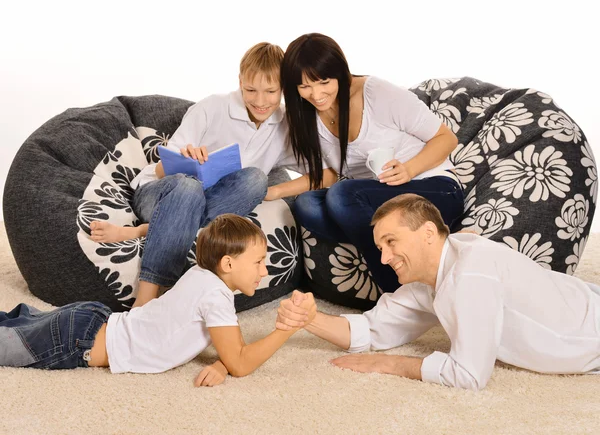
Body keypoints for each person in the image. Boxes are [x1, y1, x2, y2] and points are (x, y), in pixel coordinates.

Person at [275, 194, 600, 390]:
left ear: (428, 233)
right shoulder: (427, 279)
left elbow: (470, 374)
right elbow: (373, 330)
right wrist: (310, 319)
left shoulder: (469, 273)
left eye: (391, 242)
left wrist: (390, 365)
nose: (384, 259)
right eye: (379, 247)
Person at [89, 42, 302, 307]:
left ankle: (144, 232)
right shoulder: (212, 107)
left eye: (271, 91)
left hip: (210, 203)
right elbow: (160, 169)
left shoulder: (284, 124)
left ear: (284, 88)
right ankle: (145, 299)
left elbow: (321, 171)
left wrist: (277, 191)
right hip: (160, 193)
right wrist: (185, 160)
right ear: (240, 81)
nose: (260, 101)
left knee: (256, 180)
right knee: (188, 187)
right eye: (250, 90)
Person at [0, 214, 316, 386]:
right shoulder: (216, 297)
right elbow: (242, 362)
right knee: (8, 345)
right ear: (228, 265)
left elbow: (232, 347)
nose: (265, 269)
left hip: (89, 322)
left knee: (15, 323)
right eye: (259, 261)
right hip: (77, 341)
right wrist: (287, 330)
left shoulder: (202, 275)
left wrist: (223, 364)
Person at [266, 33, 464, 296]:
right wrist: (275, 191)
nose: (316, 94)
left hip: (433, 188)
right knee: (306, 205)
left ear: (339, 72)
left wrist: (410, 169)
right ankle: (403, 246)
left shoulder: (377, 94)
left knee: (341, 196)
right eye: (304, 87)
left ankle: (396, 292)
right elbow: (331, 174)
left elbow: (446, 138)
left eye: (324, 82)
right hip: (377, 198)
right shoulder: (304, 114)